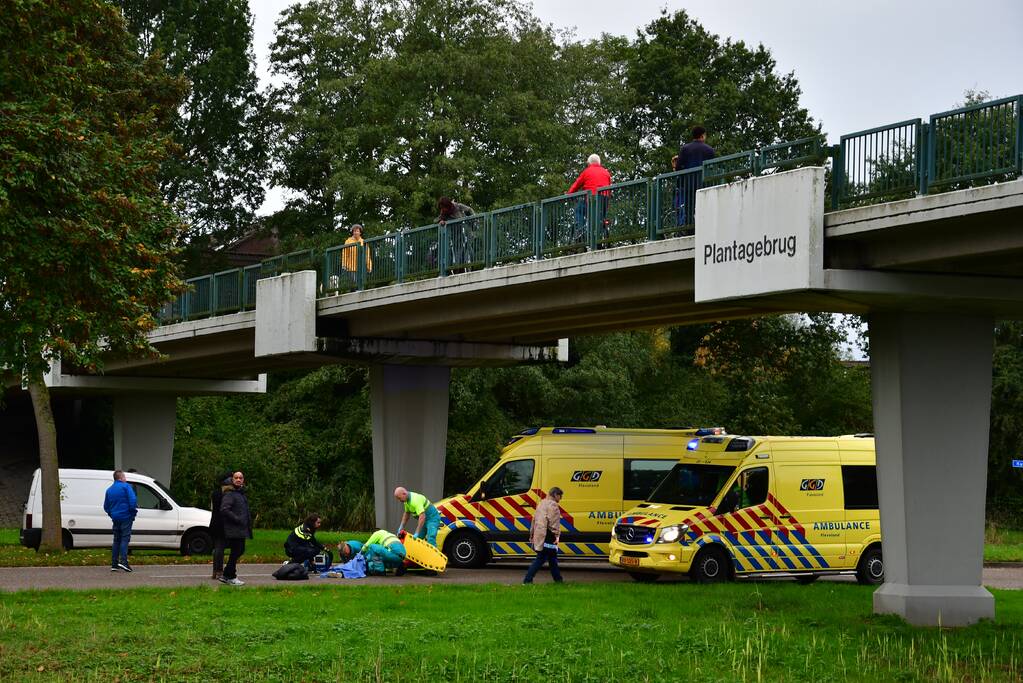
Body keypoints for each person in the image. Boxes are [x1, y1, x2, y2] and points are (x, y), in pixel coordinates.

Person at [674, 127, 716, 228]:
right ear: (702, 135)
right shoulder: (709, 150)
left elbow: (678, 166)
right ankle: (705, 226)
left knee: (689, 207)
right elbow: (712, 167)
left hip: (688, 182)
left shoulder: (685, 149)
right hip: (704, 183)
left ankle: (690, 227)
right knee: (704, 205)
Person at [566, 154, 612, 244]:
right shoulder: (606, 173)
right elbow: (609, 188)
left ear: (589, 163)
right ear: (599, 162)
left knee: (579, 210)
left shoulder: (587, 172)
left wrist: (569, 194)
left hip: (592, 199)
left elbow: (576, 184)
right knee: (600, 217)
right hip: (604, 200)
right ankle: (602, 233)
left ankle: (580, 229)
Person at [523, 487, 564, 584]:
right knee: (541, 558)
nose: (561, 498)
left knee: (552, 558)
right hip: (548, 535)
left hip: (540, 534)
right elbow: (554, 523)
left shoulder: (541, 503)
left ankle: (558, 580)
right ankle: (527, 580)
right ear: (555, 495)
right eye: (560, 496)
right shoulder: (553, 505)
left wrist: (532, 534)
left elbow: (534, 520)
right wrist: (557, 535)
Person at [219, 471, 252, 586]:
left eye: (240, 478)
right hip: (234, 529)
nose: (238, 479)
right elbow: (224, 509)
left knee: (238, 551)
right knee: (237, 551)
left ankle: (227, 574)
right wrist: (237, 519)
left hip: (241, 529)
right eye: (236, 477)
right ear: (232, 480)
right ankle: (229, 576)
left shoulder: (240, 493)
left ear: (243, 480)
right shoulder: (230, 493)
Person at [103, 470, 137, 572]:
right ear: (121, 478)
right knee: (125, 539)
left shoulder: (109, 490)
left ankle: (114, 564)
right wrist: (132, 513)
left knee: (116, 540)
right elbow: (133, 500)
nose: (125, 479)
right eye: (124, 477)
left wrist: (112, 514)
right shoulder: (126, 486)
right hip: (126, 516)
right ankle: (123, 562)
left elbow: (106, 507)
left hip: (115, 518)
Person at [337, 529, 407, 575]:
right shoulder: (389, 535)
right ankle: (399, 565)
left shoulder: (377, 534)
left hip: (393, 552)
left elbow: (366, 546)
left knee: (372, 547)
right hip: (402, 553)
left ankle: (380, 571)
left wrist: (360, 556)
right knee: (381, 556)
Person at [436, 197, 475, 268]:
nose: (443, 209)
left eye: (444, 207)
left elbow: (469, 209)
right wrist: (441, 221)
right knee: (457, 251)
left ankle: (469, 263)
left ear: (448, 205)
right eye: (441, 208)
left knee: (468, 246)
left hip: (464, 229)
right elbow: (438, 219)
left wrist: (474, 219)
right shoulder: (443, 213)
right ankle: (458, 267)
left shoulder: (457, 206)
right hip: (455, 234)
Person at [209, 472, 232, 580]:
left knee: (218, 547)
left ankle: (216, 570)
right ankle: (219, 570)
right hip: (222, 524)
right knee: (220, 548)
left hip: (215, 523)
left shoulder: (216, 493)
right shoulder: (226, 494)